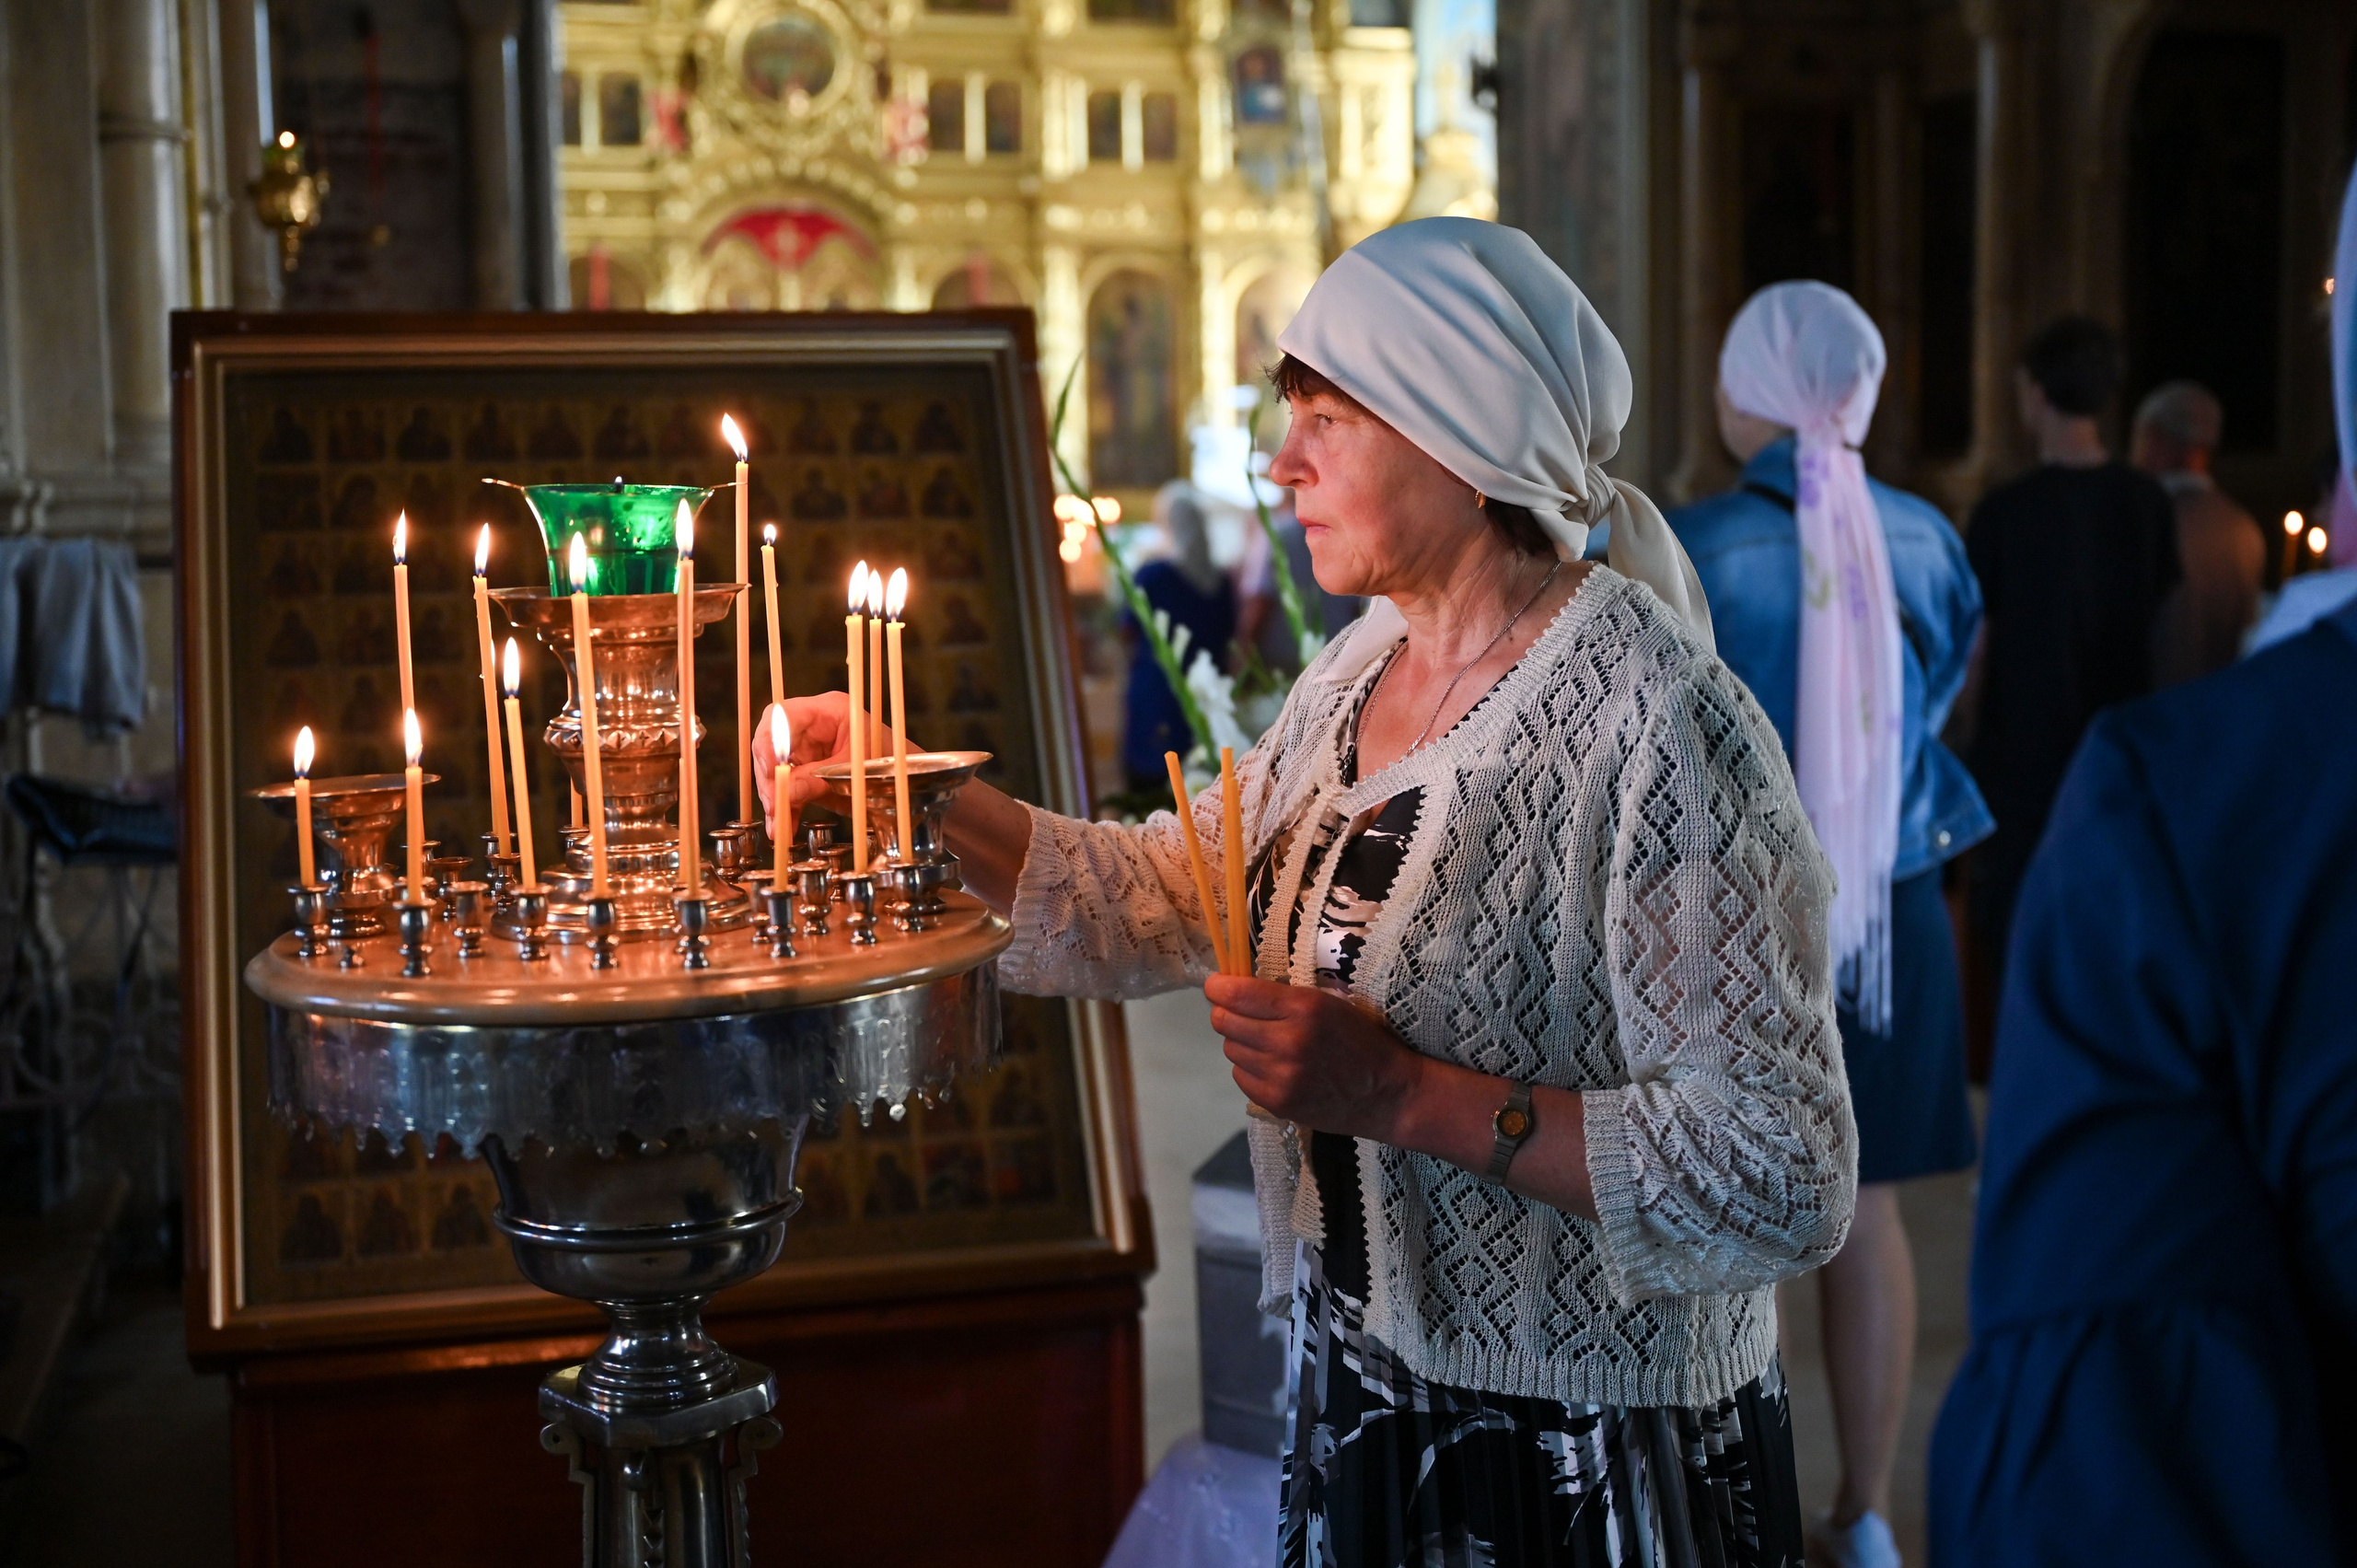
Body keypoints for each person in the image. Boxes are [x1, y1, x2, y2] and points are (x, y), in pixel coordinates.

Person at [759, 218, 1857, 1565]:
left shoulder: (1660, 724)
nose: (1283, 466)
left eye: (1327, 420)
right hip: (1371, 1399)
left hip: (1586, 1453)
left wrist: (1403, 1095)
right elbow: (1175, 888)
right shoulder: (1357, 670)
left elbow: (1781, 1171)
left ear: (1465, 432)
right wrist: (913, 782)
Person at [1927, 172, 2357, 1566]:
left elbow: (2108, 1467)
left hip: (2079, 791)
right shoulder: (2149, 517)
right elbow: (2173, 630)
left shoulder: (2205, 813)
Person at [1668, 282, 1991, 1568]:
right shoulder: (1923, 535)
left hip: (1731, 905)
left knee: (1724, 1203)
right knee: (1868, 1211)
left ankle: (1731, 1508)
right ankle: (1862, 1510)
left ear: (1746, 391)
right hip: (1894, 901)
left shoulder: (1686, 543)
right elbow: (1949, 679)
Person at [1961, 315, 2178, 977]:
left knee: (2016, 954)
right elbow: (2164, 629)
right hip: (2118, 756)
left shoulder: (2005, 510)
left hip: (2021, 770)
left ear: (2035, 394)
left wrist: (1967, 740)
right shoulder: (2147, 500)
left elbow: (1978, 649)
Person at [2129, 379, 2264, 683]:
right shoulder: (2243, 528)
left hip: (2153, 711)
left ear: (2153, 437)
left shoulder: (2141, 523)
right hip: (2222, 706)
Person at [1119, 482, 1236, 794]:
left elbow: (1127, 630)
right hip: (1207, 696)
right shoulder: (1221, 580)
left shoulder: (1153, 575)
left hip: (1157, 693)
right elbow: (1227, 637)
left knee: (1151, 791)